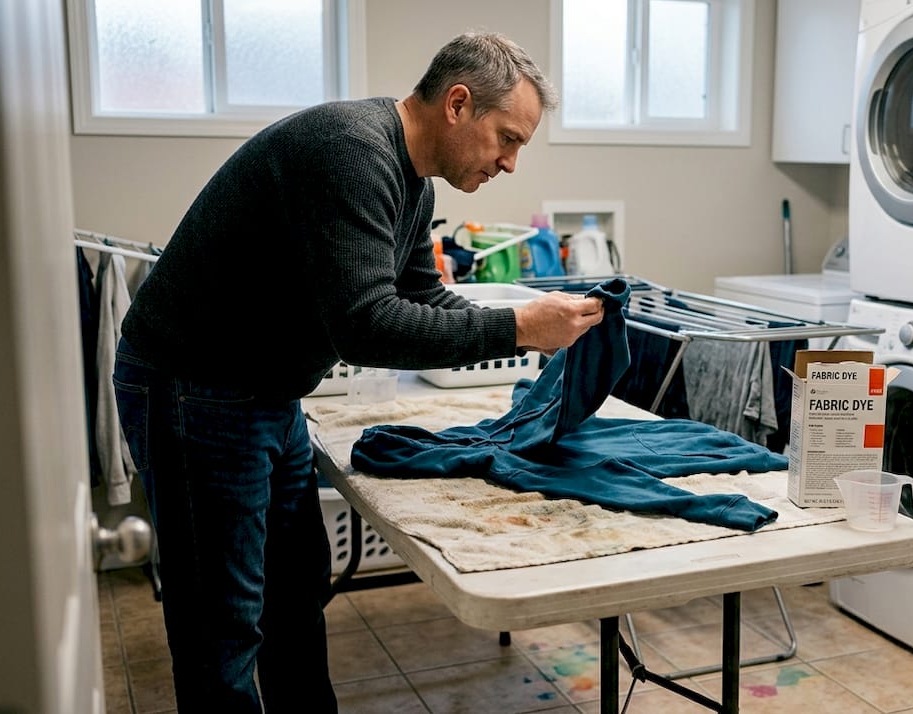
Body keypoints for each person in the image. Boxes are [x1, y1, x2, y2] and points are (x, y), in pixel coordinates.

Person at [112, 31, 603, 713]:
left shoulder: (414, 187)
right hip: (194, 385)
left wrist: (531, 316)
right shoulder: (353, 152)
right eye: (507, 138)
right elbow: (366, 324)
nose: (512, 163)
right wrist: (520, 327)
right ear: (458, 103)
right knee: (221, 623)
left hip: (265, 389)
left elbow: (423, 300)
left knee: (295, 589)